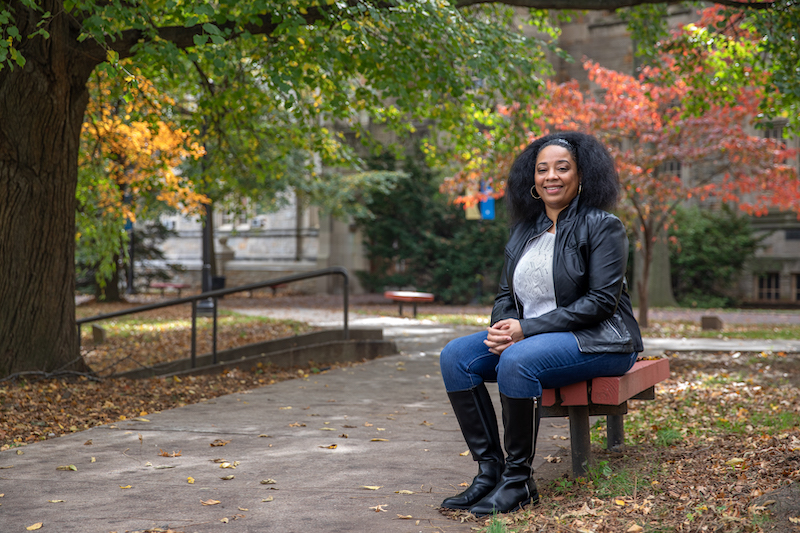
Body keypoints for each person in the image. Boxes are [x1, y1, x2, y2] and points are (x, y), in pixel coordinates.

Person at [439, 131, 643, 516]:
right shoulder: (524, 231)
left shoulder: (603, 226)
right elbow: (506, 295)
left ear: (581, 175)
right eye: (542, 169)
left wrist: (526, 331)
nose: (551, 176)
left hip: (601, 340)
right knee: (456, 357)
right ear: (531, 179)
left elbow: (601, 303)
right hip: (533, 339)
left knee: (519, 360)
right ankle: (490, 472)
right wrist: (504, 327)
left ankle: (519, 482)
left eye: (562, 168)